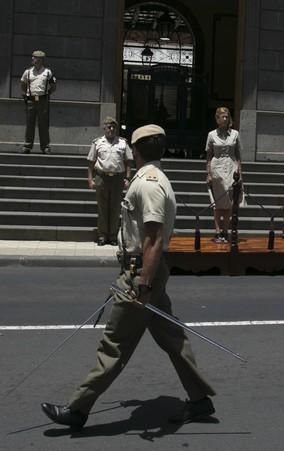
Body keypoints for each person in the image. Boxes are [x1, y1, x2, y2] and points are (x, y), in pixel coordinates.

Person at [41, 124, 216, 430]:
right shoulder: (154, 178)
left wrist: (143, 285)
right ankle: (200, 400)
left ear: (135, 151)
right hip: (148, 272)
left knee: (114, 344)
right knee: (173, 339)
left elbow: (152, 239)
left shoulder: (148, 183)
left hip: (140, 273)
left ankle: (78, 409)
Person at [86, 116, 132, 246]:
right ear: (104, 128)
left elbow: (129, 162)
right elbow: (91, 163)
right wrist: (90, 179)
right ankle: (102, 236)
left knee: (115, 208)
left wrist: (128, 178)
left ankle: (112, 236)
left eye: (113, 127)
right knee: (102, 208)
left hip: (117, 178)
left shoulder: (122, 143)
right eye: (108, 127)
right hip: (102, 177)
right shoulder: (97, 143)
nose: (111, 129)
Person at [206, 107, 242, 243]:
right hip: (217, 168)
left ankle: (225, 231)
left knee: (228, 202)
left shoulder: (235, 134)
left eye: (227, 116)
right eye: (222, 116)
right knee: (217, 203)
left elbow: (238, 155)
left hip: (231, 168)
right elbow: (208, 156)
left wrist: (240, 172)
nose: (225, 119)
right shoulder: (211, 135)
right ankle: (217, 232)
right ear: (217, 119)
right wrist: (208, 173)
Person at [20, 50, 57, 154]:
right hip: (31, 100)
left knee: (43, 124)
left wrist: (46, 94)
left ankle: (45, 147)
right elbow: (23, 83)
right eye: (33, 57)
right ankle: (27, 146)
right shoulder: (28, 72)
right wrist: (24, 94)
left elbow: (53, 86)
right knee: (29, 124)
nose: (32, 59)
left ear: (40, 60)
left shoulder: (47, 72)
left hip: (42, 101)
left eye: (35, 57)